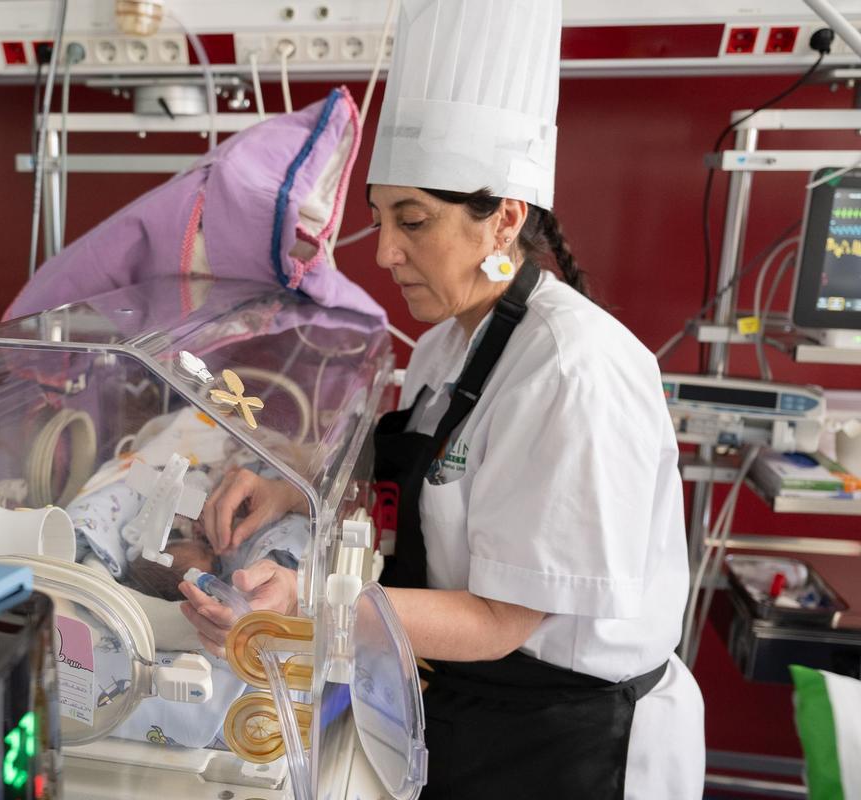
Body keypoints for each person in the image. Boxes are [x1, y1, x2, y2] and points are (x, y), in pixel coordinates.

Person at [177, 1, 705, 797]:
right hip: (464, 705)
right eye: (382, 219)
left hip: (567, 741)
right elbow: (410, 478)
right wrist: (291, 485)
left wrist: (309, 608)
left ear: (504, 221)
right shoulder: (446, 342)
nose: (385, 252)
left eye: (413, 222)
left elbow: (501, 622)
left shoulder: (572, 372)